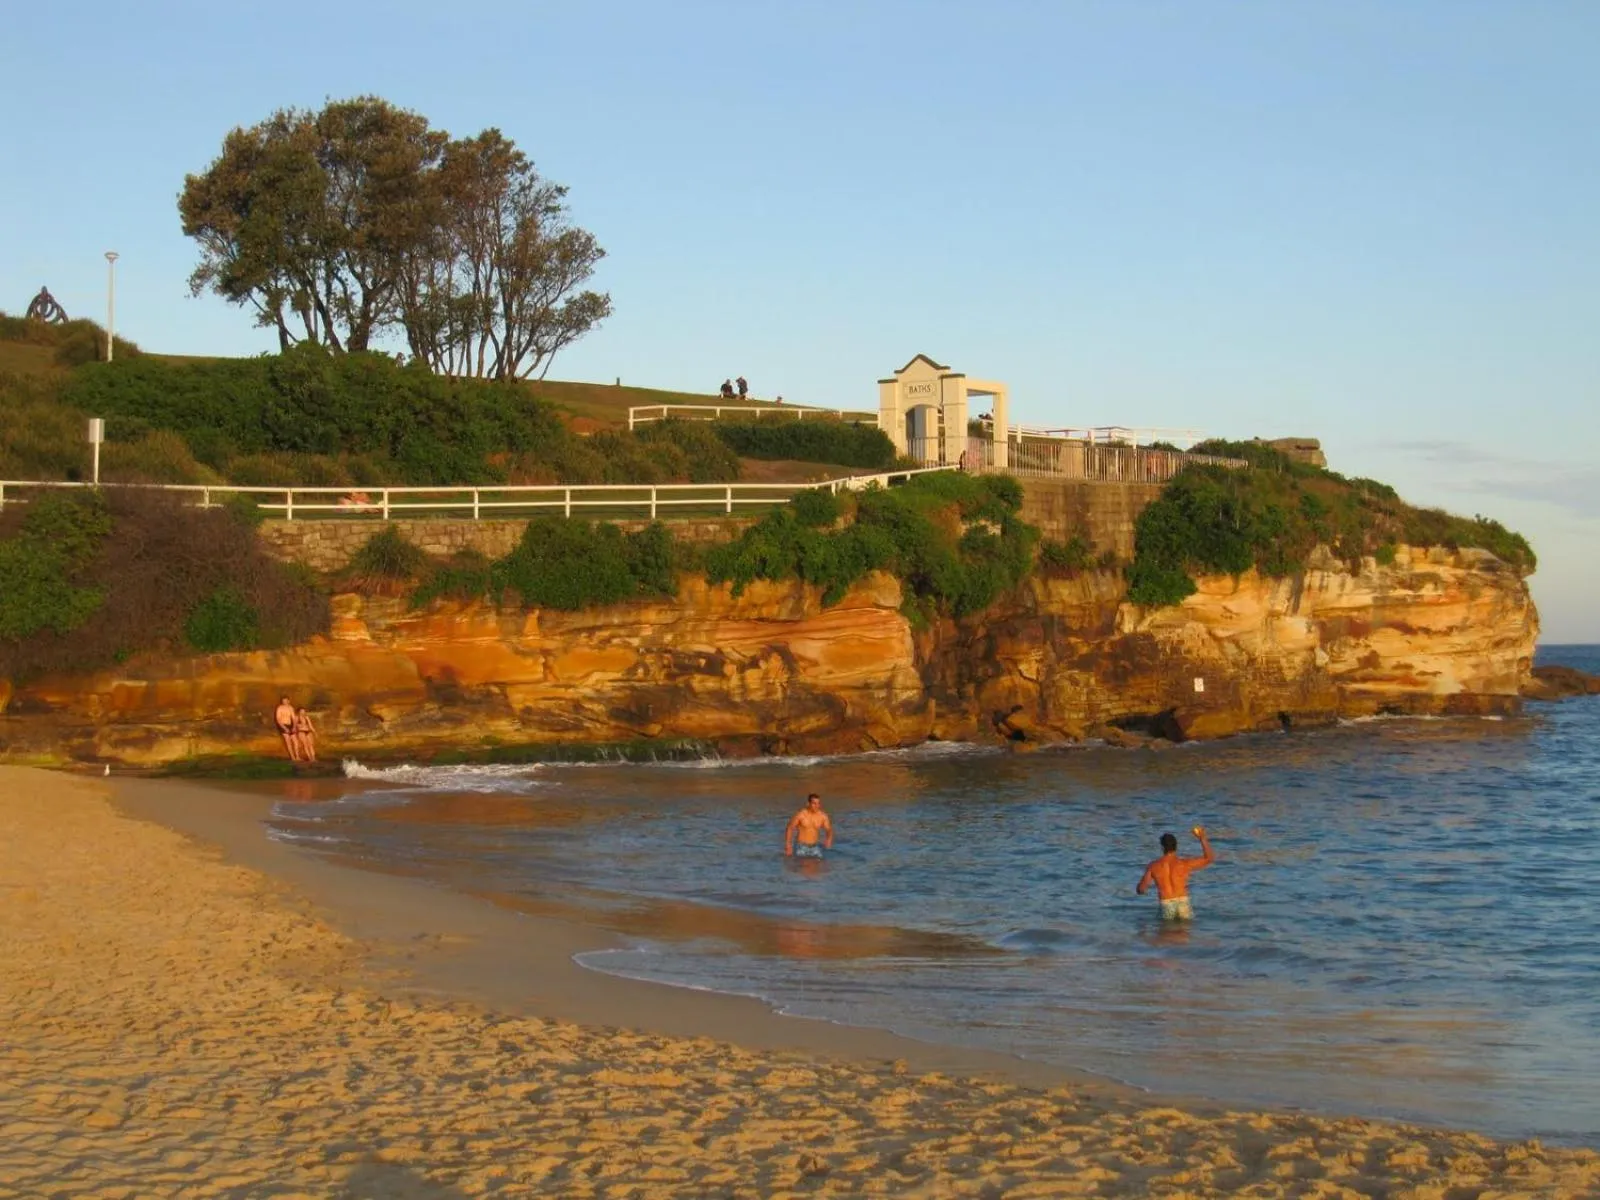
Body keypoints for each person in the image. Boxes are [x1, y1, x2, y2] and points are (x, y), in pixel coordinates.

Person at [1136, 826, 1215, 920]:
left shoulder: (1153, 866)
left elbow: (1141, 890)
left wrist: (1139, 888)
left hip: (1166, 903)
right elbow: (1209, 858)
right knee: (1184, 932)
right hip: (1183, 901)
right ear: (1176, 847)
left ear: (1162, 847)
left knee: (1166, 932)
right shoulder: (1185, 864)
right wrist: (1202, 838)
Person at [784, 793, 834, 858]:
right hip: (801, 846)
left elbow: (829, 829)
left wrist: (829, 839)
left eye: (818, 803)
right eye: (814, 803)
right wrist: (788, 845)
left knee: (821, 865)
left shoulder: (823, 816)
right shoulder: (801, 815)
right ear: (808, 803)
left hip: (815, 846)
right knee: (803, 866)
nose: (817, 806)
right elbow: (790, 828)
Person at [273, 697, 300, 761]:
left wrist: (294, 726)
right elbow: (278, 719)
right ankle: (292, 757)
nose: (284, 702)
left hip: (290, 724)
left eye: (286, 701)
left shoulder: (290, 708)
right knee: (288, 741)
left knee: (295, 741)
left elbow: (293, 718)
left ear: (288, 701)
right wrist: (284, 728)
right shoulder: (279, 708)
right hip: (282, 725)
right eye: (283, 701)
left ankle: (297, 756)